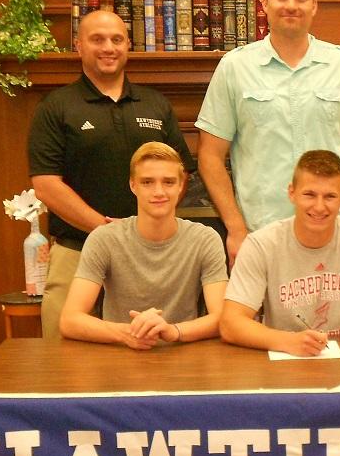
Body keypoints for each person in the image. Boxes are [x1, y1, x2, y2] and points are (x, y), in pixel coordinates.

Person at [195, 0, 340, 265]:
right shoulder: (235, 67)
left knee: (335, 314)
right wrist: (235, 227)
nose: (291, 5)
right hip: (260, 233)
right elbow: (209, 155)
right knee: (258, 315)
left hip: (335, 231)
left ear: (314, 6)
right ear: (264, 4)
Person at [29, 9, 194, 338]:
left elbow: (181, 172)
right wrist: (106, 230)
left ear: (128, 46)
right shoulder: (56, 107)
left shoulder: (155, 104)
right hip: (76, 251)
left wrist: (142, 232)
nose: (108, 47)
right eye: (97, 39)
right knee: (63, 361)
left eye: (117, 39)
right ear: (78, 46)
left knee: (152, 353)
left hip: (150, 258)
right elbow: (46, 185)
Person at [220, 150, 340, 362]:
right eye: (309, 195)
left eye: (330, 196)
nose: (319, 207)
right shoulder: (261, 244)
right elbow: (230, 323)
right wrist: (287, 341)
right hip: (285, 362)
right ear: (291, 193)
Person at [59, 142, 228, 349]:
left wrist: (172, 331)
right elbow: (70, 320)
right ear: (133, 185)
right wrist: (129, 334)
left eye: (168, 182)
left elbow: (223, 318)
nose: (159, 192)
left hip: (183, 353)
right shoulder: (104, 239)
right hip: (120, 354)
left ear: (181, 185)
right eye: (147, 182)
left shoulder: (205, 239)